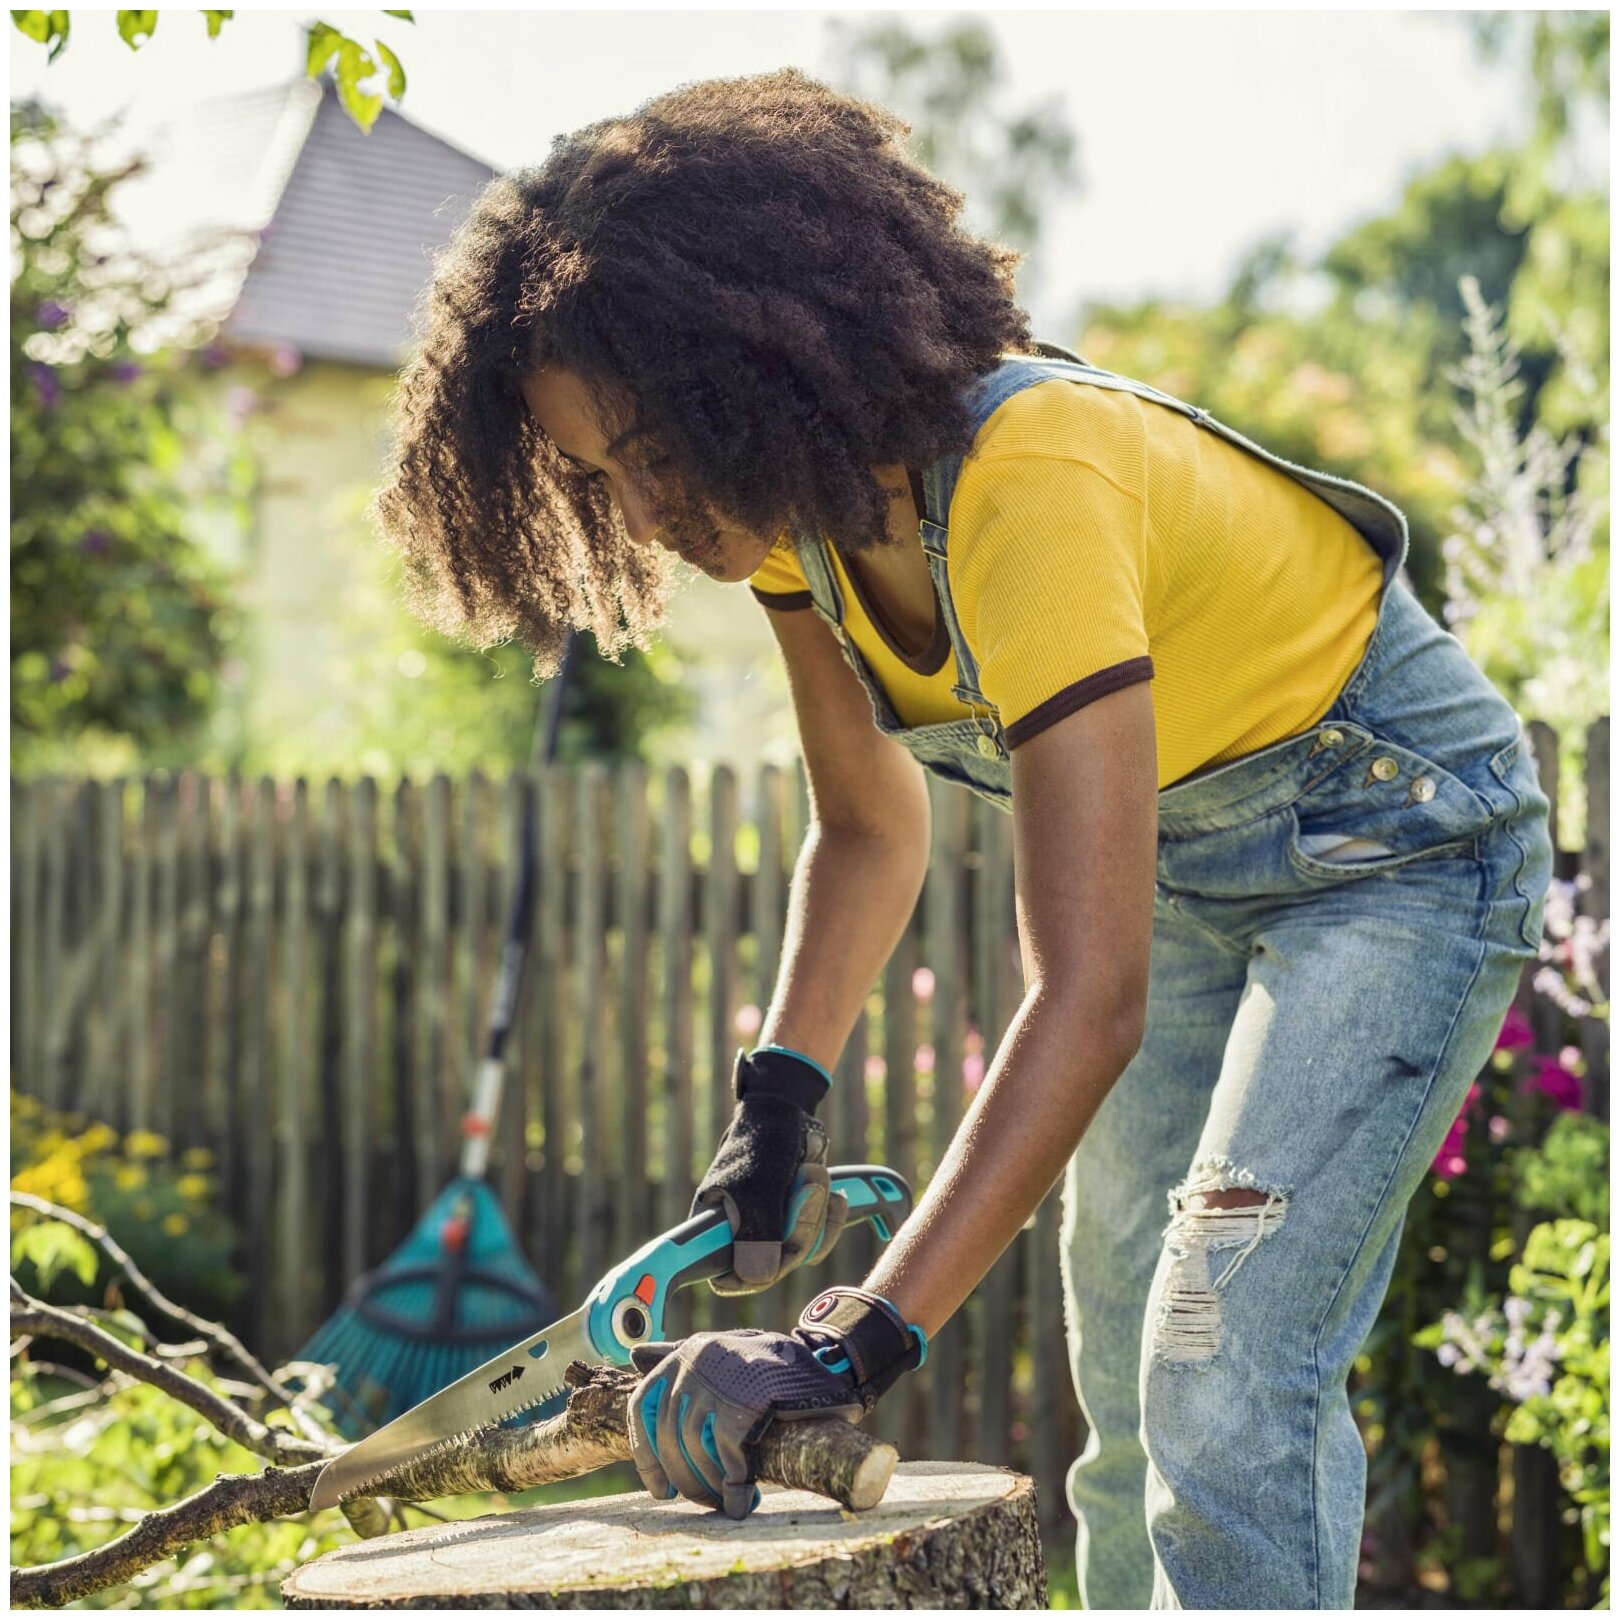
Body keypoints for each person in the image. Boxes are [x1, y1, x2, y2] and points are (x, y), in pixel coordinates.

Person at [371, 66, 1554, 1610]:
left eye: (657, 449)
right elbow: (866, 831)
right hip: (1205, 868)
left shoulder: (1028, 481)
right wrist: (773, 1113)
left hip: (1402, 849)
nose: (644, 511)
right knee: (1129, 1368)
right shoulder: (799, 532)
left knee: (1217, 1359)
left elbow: (1089, 993)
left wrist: (841, 1342)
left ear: (761, 369)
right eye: (599, 476)